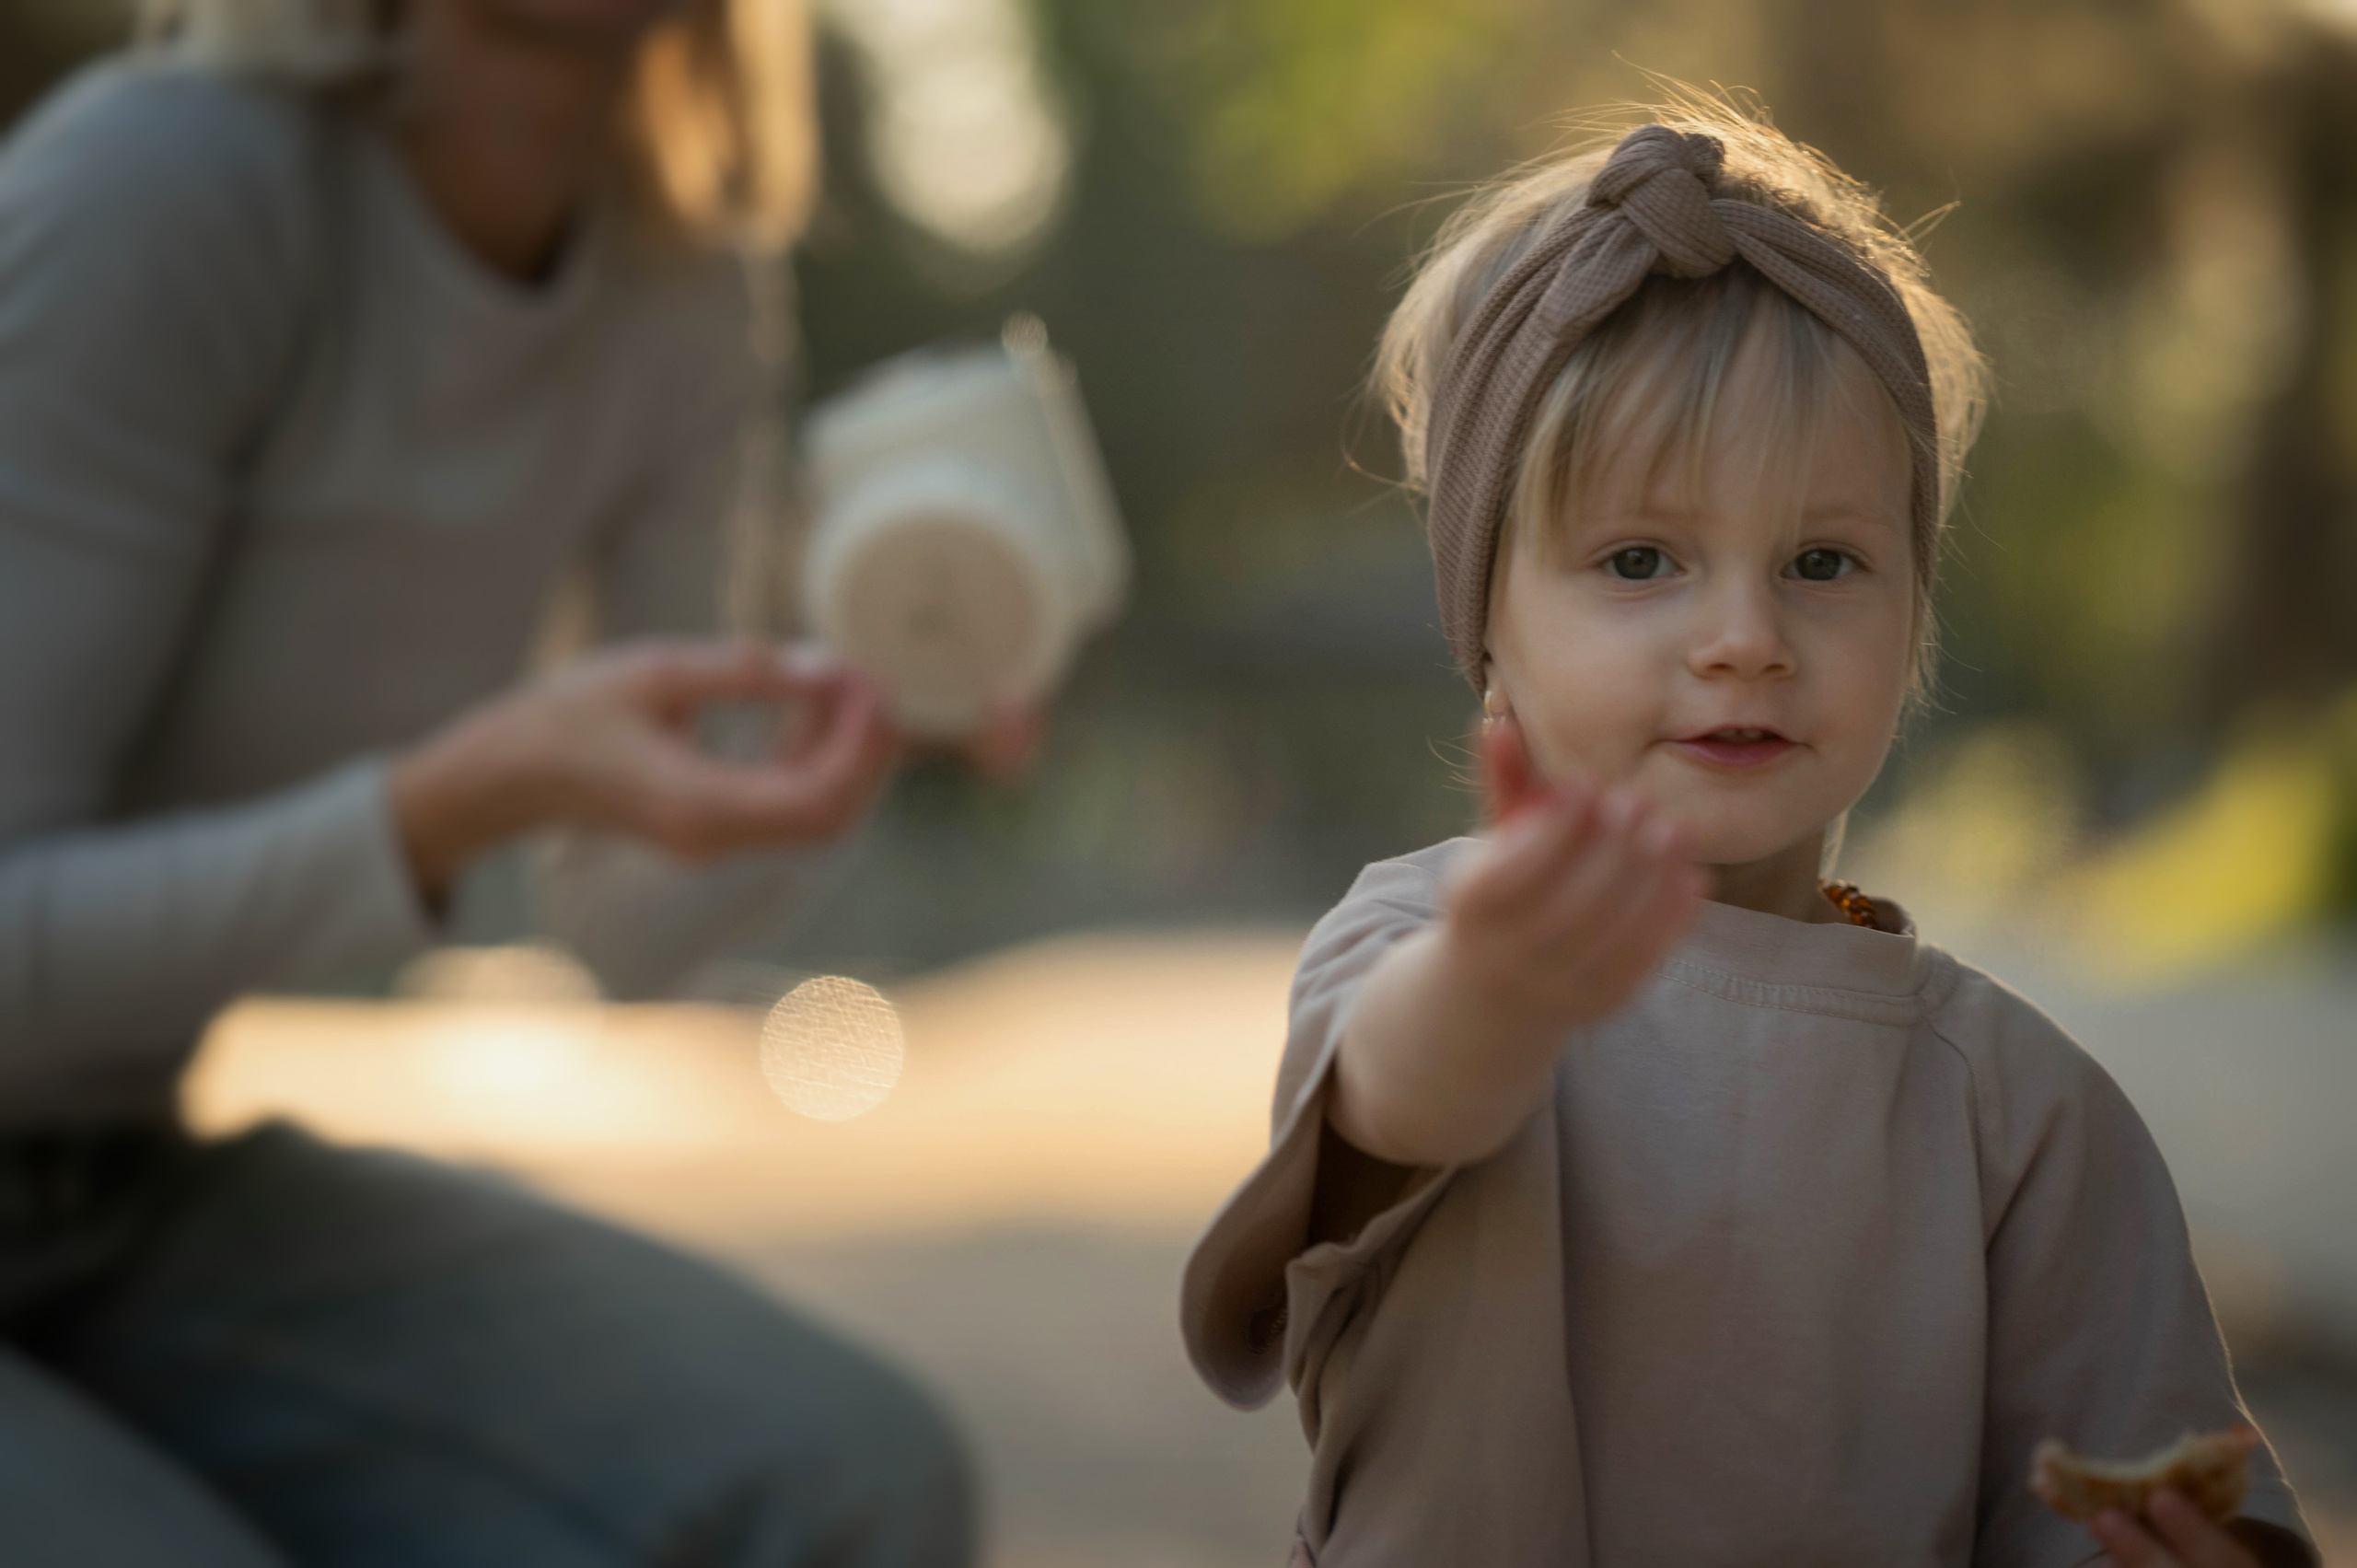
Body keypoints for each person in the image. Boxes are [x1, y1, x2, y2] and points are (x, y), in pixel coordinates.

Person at [1179, 104, 2319, 1567]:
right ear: (1488, 631)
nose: (1744, 637)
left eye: (1823, 562)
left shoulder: (2017, 1110)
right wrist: (1498, 992)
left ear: (1915, 612)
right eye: (1640, 560)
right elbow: (1402, 1104)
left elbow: (2125, 1479)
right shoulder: (1422, 959)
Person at [0, 0, 1027, 1557]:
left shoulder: (680, 276)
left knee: (847, 1479)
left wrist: (862, 705)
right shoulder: (168, 186)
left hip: (99, 1189)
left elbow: (621, 925)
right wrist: (436, 812)